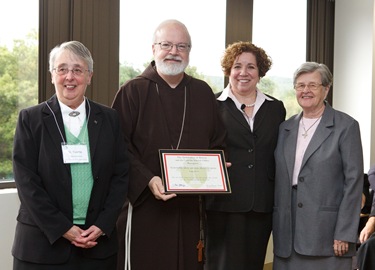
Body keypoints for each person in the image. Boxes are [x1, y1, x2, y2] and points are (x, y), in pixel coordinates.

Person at [111, 19, 226, 270]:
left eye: (182, 46)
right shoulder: (132, 91)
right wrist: (148, 179)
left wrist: (215, 168)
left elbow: (217, 141)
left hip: (188, 210)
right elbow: (118, 147)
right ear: (154, 48)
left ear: (189, 52)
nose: (174, 52)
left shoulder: (202, 93)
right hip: (145, 208)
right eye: (166, 44)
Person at [11, 41, 129, 270]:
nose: (69, 77)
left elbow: (120, 175)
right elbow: (27, 183)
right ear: (52, 75)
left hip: (97, 247)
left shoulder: (110, 119)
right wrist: (63, 228)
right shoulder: (30, 120)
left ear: (89, 76)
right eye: (62, 69)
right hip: (42, 248)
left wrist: (104, 224)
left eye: (77, 70)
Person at [272, 62, 364, 270]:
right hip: (287, 234)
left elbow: (354, 182)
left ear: (326, 89)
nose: (306, 91)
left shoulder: (346, 126)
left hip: (328, 235)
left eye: (313, 85)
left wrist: (344, 232)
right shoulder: (285, 128)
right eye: (300, 85)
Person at [204, 41, 286, 270]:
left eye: (251, 67)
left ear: (260, 72)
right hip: (223, 203)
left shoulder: (276, 108)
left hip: (261, 204)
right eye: (237, 66)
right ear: (228, 70)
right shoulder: (211, 104)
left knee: (254, 263)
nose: (244, 72)